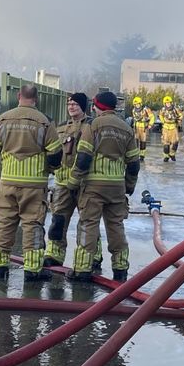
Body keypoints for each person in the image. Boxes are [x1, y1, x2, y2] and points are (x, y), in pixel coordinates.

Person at [0, 84, 62, 281]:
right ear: (36, 99)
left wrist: (2, 161)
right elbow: (55, 152)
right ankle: (32, 270)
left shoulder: (3, 119)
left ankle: (0, 268)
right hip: (34, 185)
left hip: (7, 182)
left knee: (5, 224)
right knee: (32, 226)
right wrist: (51, 168)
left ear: (19, 96)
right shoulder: (44, 122)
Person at [69, 91, 140, 282]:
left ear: (97, 106)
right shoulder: (126, 128)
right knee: (116, 226)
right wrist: (129, 186)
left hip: (94, 186)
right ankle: (120, 268)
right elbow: (134, 163)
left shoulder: (93, 126)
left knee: (88, 225)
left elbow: (83, 158)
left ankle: (82, 270)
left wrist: (73, 182)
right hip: (117, 187)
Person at [44, 92, 92, 268]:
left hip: (85, 183)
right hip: (63, 184)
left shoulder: (92, 125)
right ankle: (54, 254)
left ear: (83, 106)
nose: (71, 107)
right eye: (69, 104)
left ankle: (93, 257)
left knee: (87, 223)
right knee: (58, 220)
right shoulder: (61, 127)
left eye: (75, 104)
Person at [158, 95, 182, 162]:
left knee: (175, 142)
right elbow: (160, 115)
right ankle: (166, 156)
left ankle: (172, 154)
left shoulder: (175, 109)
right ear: (164, 103)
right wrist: (163, 121)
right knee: (166, 143)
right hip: (166, 127)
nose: (168, 104)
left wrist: (178, 120)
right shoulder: (163, 109)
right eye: (166, 103)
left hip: (173, 127)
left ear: (171, 103)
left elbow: (181, 115)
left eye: (169, 103)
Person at [129, 96, 154, 160]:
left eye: (138, 104)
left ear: (140, 104)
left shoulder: (146, 109)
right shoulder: (133, 110)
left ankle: (142, 155)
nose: (137, 105)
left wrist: (150, 124)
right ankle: (136, 154)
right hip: (136, 127)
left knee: (143, 141)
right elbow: (134, 118)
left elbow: (152, 117)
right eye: (135, 104)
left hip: (143, 127)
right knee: (135, 141)